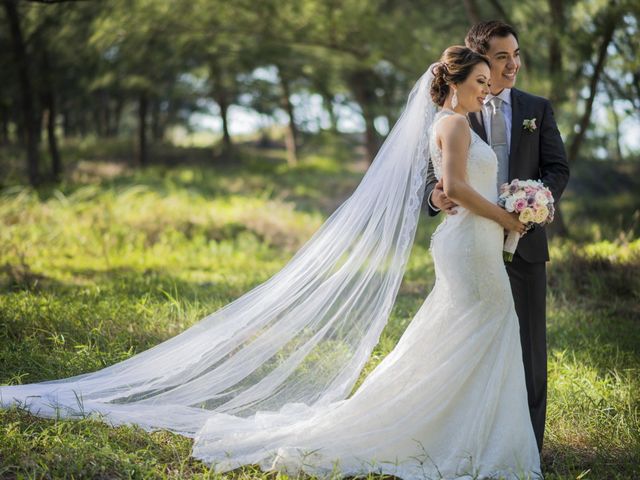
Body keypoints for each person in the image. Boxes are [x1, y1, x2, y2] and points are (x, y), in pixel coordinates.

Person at [1, 47, 541, 479]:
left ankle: (463, 428)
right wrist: (508, 217)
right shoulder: (450, 124)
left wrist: (505, 211)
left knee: (467, 332)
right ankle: (456, 433)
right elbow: (451, 187)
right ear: (452, 83)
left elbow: (454, 191)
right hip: (470, 242)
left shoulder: (462, 125)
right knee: (485, 325)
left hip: (474, 237)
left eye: (486, 85)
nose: (485, 90)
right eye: (478, 83)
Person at [424, 21, 570, 452]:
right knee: (469, 337)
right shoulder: (456, 115)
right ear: (480, 59)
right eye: (502, 57)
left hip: (525, 240)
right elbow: (429, 174)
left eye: (517, 55)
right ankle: (468, 435)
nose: (513, 65)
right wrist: (434, 195)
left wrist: (535, 203)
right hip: (472, 241)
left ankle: (527, 443)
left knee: (527, 348)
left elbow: (557, 168)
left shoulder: (537, 109)